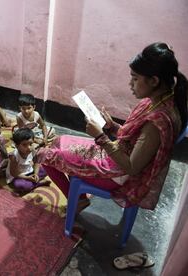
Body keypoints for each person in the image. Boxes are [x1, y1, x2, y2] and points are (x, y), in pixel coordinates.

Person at [37, 42, 187, 211]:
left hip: (118, 175)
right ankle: (78, 197)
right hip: (116, 154)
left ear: (154, 81)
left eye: (135, 78)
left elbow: (131, 167)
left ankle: (77, 199)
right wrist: (112, 127)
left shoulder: (157, 121)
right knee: (59, 140)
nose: (130, 83)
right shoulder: (155, 101)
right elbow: (134, 139)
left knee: (45, 156)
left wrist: (101, 137)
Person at [6, 128, 49, 192]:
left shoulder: (33, 150)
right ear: (17, 146)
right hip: (18, 176)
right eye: (24, 145)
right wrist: (28, 178)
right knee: (19, 185)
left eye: (31, 144)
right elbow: (14, 174)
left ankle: (35, 181)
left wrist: (36, 174)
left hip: (29, 171)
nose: (29, 148)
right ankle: (39, 183)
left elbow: (36, 162)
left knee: (47, 168)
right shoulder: (13, 156)